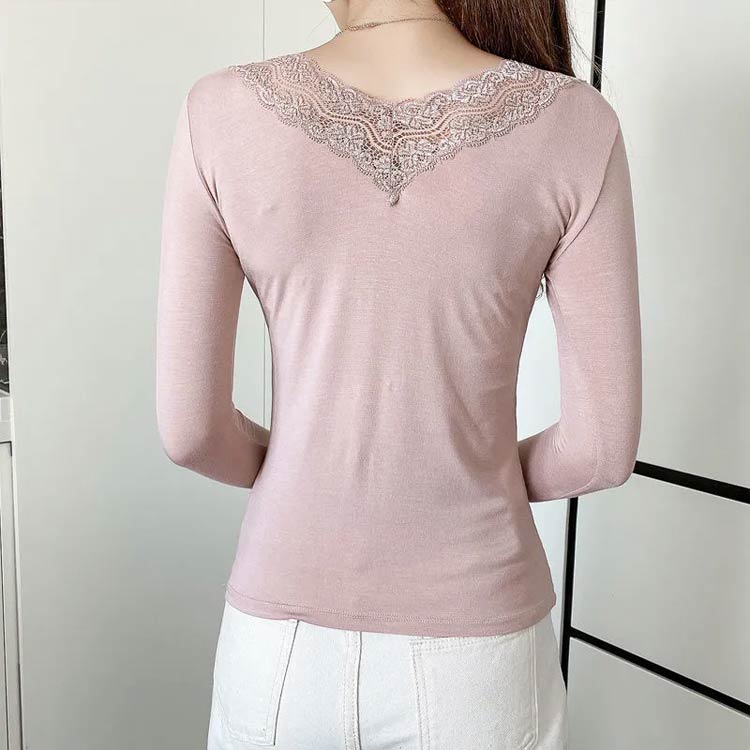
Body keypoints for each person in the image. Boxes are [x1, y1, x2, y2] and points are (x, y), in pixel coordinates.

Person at [155, 0, 642, 747]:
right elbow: (602, 450)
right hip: (481, 657)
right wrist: (472, 472)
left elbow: (190, 431)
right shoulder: (577, 124)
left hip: (280, 655)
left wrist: (305, 465)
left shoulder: (218, 113)